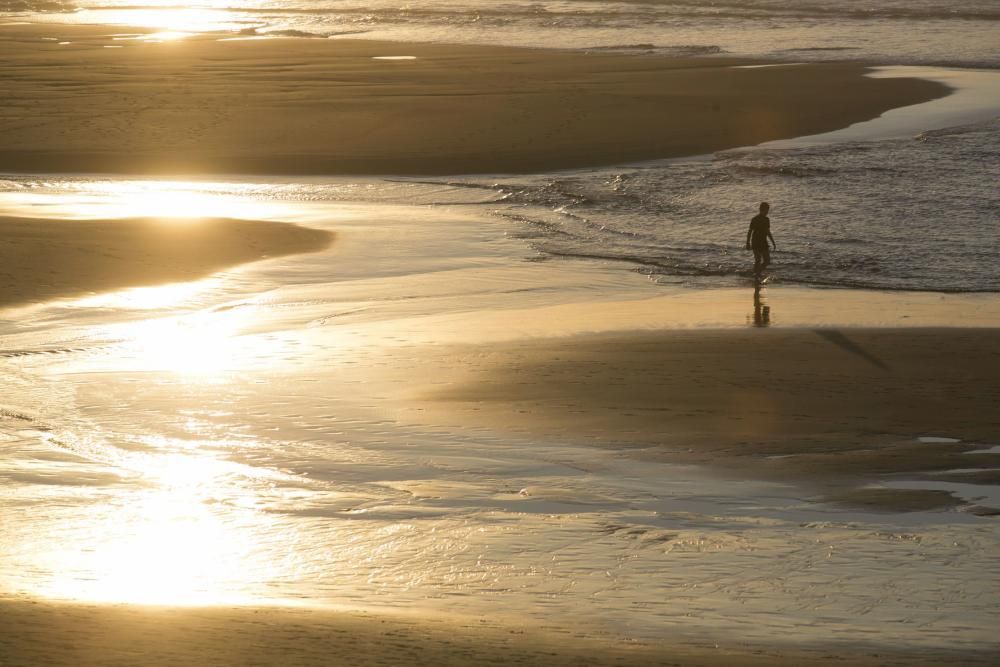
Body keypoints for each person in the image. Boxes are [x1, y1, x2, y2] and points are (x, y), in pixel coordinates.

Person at [745, 201, 776, 274]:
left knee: (766, 261)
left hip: (762, 242)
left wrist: (773, 242)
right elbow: (750, 232)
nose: (767, 212)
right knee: (759, 260)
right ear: (763, 210)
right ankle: (756, 274)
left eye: (768, 210)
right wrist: (747, 243)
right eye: (767, 210)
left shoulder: (765, 219)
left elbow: (767, 231)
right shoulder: (756, 219)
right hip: (756, 242)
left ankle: (756, 272)